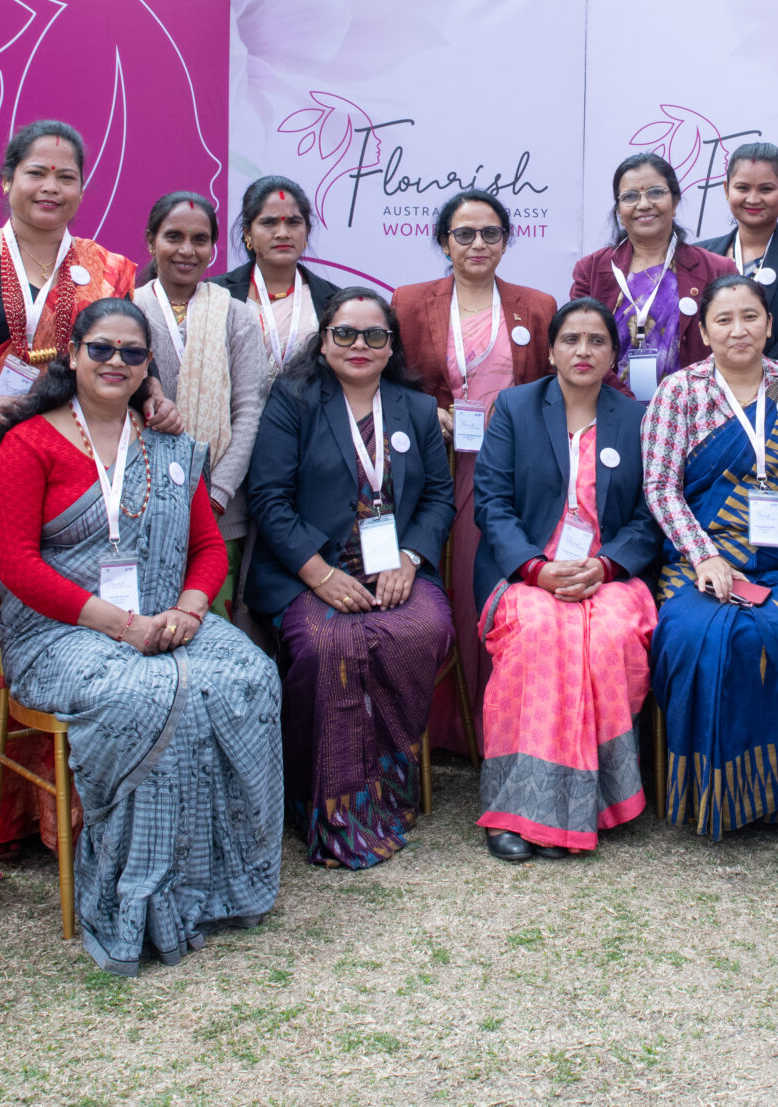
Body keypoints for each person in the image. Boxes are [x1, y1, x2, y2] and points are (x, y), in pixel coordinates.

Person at [0, 298, 283, 975]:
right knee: (148, 693)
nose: (116, 362)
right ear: (73, 354)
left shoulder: (170, 449)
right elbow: (18, 567)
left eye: (132, 352)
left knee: (248, 673)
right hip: (61, 632)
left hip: (166, 616)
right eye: (101, 348)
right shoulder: (28, 444)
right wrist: (122, 623)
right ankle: (142, 896)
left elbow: (208, 546)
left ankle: (224, 883)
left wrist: (188, 609)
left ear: (150, 366)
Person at [246, 287, 454, 869]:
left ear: (392, 346)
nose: (359, 346)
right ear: (323, 341)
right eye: (345, 334)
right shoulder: (294, 399)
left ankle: (384, 788)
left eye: (374, 336)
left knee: (423, 631)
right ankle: (327, 803)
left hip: (394, 570)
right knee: (327, 644)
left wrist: (410, 558)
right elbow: (267, 497)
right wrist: (318, 573)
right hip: (310, 570)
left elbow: (438, 497)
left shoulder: (413, 407)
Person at [471, 298, 662, 860]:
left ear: (614, 354)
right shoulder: (514, 406)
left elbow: (651, 515)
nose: (583, 351)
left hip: (609, 576)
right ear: (550, 350)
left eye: (597, 341)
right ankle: (520, 805)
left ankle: (586, 803)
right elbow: (492, 503)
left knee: (606, 638)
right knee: (538, 633)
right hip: (529, 574)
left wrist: (604, 567)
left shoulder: (636, 417)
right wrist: (537, 569)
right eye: (571, 340)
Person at [639, 274, 778, 836]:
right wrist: (703, 556)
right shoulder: (680, 392)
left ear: (771, 324)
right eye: (724, 320)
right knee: (701, 639)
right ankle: (709, 792)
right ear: (704, 331)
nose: (738, 330)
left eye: (751, 317)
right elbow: (661, 488)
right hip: (699, 563)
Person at [393, 189, 556, 759]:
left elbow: (547, 391)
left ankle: (495, 721)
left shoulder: (536, 307)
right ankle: (443, 729)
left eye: (490, 233)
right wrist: (425, 411)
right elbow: (394, 381)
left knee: (492, 583)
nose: (478, 244)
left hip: (509, 470)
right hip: (437, 467)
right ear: (444, 241)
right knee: (446, 586)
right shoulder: (411, 303)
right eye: (464, 234)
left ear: (507, 241)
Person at [0, 120, 151, 445]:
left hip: (77, 447)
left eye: (65, 177)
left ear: (81, 189)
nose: (51, 187)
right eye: (36, 174)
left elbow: (131, 354)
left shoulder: (106, 269)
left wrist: (154, 396)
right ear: (7, 180)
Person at [134, 193, 268, 606]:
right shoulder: (126, 310)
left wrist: (218, 493)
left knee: (210, 619)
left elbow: (249, 411)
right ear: (151, 240)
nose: (187, 250)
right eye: (173, 236)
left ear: (213, 249)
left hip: (219, 512)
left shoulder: (237, 315)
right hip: (140, 502)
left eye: (200, 239)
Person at [569, 152, 735, 400]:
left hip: (694, 409)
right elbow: (576, 344)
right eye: (630, 196)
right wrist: (624, 401)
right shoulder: (592, 270)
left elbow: (731, 344)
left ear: (675, 201)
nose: (644, 204)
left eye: (656, 192)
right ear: (619, 209)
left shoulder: (716, 270)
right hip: (608, 407)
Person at [694, 141, 778, 366]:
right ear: (726, 190)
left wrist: (753, 383)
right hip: (708, 389)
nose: (753, 199)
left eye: (766, 189)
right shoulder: (701, 254)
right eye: (742, 188)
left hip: (776, 388)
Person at [217, 173, 344, 380]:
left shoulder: (333, 301)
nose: (283, 233)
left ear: (307, 231)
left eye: (293, 222)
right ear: (247, 232)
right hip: (233, 411)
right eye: (269, 223)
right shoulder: (217, 294)